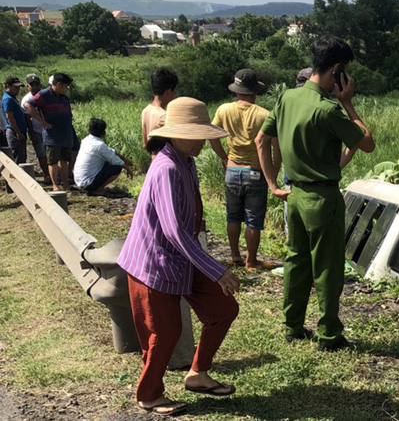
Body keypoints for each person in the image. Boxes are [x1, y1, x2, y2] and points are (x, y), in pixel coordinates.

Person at [117, 97, 240, 416]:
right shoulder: (166, 167)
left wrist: (208, 265)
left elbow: (185, 225)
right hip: (152, 262)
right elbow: (172, 230)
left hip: (183, 256)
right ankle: (149, 394)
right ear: (174, 133)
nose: (201, 141)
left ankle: (198, 374)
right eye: (195, 134)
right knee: (164, 332)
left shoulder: (186, 160)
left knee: (223, 307)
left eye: (204, 134)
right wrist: (217, 270)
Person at [255, 35, 375, 351]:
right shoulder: (330, 109)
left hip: (293, 195)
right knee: (327, 266)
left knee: (296, 261)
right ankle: (329, 335)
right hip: (322, 199)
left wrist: (271, 183)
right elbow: (367, 143)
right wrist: (348, 101)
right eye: (345, 70)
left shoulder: (286, 98)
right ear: (337, 70)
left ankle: (292, 326)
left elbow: (260, 141)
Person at [209, 69, 277, 268]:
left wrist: (224, 158)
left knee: (233, 216)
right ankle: (251, 260)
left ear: (236, 90)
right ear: (255, 91)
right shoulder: (264, 114)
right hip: (256, 172)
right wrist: (272, 170)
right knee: (253, 220)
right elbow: (275, 146)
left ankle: (235, 255)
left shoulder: (223, 110)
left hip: (232, 170)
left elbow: (213, 136)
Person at [25, 73, 75, 191]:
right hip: (52, 134)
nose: (66, 89)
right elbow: (28, 105)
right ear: (58, 84)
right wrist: (41, 121)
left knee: (64, 160)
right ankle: (55, 185)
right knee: (53, 160)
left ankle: (65, 184)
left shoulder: (64, 97)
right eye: (65, 86)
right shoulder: (44, 94)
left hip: (65, 133)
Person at [73, 118, 133, 195]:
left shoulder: (86, 140)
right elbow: (114, 160)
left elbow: (110, 152)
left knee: (108, 161)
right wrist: (127, 168)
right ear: (104, 132)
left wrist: (124, 159)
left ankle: (96, 187)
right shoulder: (99, 145)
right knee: (117, 168)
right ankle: (98, 190)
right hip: (87, 183)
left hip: (78, 180)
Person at [20, 74, 51, 182]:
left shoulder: (46, 95)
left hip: (48, 129)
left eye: (36, 84)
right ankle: (47, 174)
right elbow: (27, 118)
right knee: (41, 153)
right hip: (36, 129)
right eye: (31, 85)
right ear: (28, 86)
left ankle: (54, 174)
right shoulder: (26, 100)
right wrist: (32, 132)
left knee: (51, 153)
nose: (34, 87)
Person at [141, 68, 178, 151]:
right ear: (168, 91)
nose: (174, 95)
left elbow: (145, 144)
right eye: (174, 91)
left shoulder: (146, 110)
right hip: (166, 160)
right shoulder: (164, 116)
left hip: (154, 161)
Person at [2, 76, 30, 164]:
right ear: (8, 86)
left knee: (21, 156)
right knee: (17, 157)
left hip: (18, 131)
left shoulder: (12, 98)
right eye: (15, 87)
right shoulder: (8, 99)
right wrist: (18, 132)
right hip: (14, 131)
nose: (18, 89)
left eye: (19, 87)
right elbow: (9, 117)